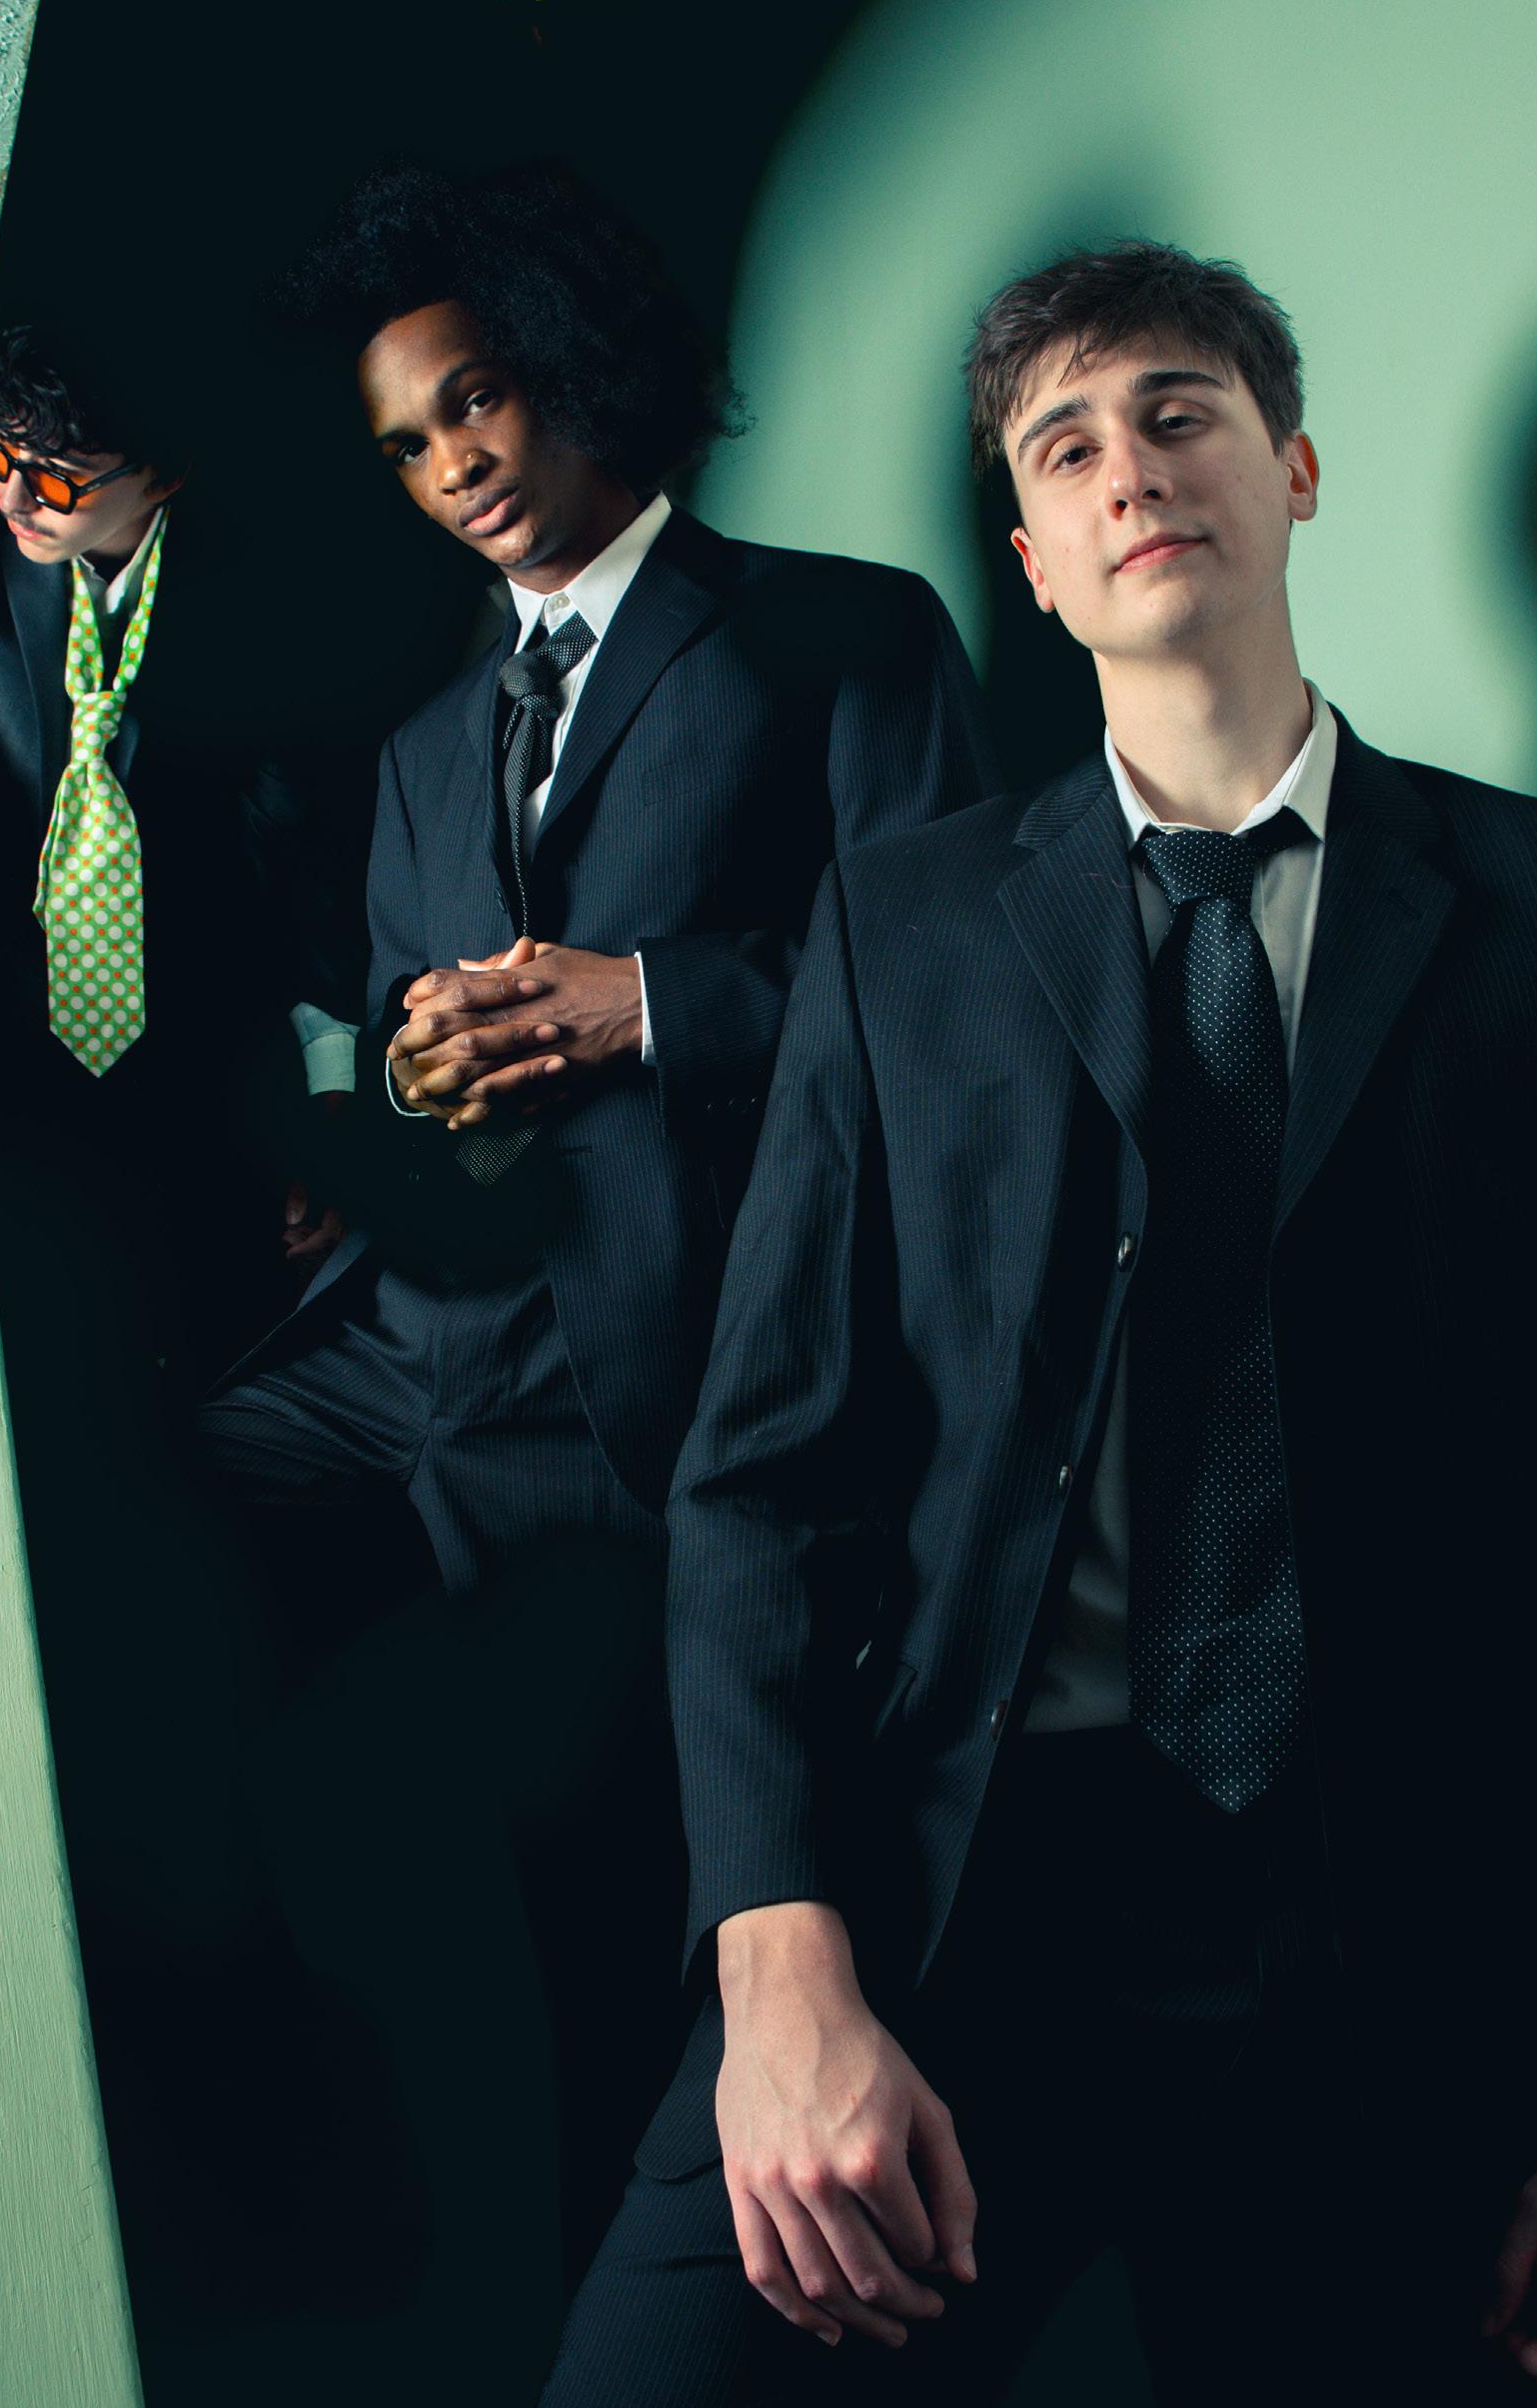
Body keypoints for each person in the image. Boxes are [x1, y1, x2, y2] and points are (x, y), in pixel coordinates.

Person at [494, 241, 1537, 2408]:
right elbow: (759, 1482)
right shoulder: (899, 930)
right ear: (1027, 554)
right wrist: (775, 1966)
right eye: (1064, 447)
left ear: (1291, 469)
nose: (1130, 471)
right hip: (938, 1911)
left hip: (1397, 1969)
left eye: (1179, 414)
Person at [197, 159, 991, 2275]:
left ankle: (600, 2270)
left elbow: (961, 995)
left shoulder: (840, 634)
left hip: (671, 1361)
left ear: (570, 367)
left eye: (471, 399)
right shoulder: (418, 751)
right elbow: (399, 1033)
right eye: (404, 445)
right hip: (424, 1340)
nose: (450, 466)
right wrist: (408, 1077)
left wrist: (653, 1002)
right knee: (129, 1515)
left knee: (595, 1883)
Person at [0, 315, 359, 1371]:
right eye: (1, 455)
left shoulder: (267, 555)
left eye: (55, 479)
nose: (12, 500)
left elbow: (295, 826)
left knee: (225, 1280)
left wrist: (328, 1073)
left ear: (165, 473)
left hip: (192, 947)